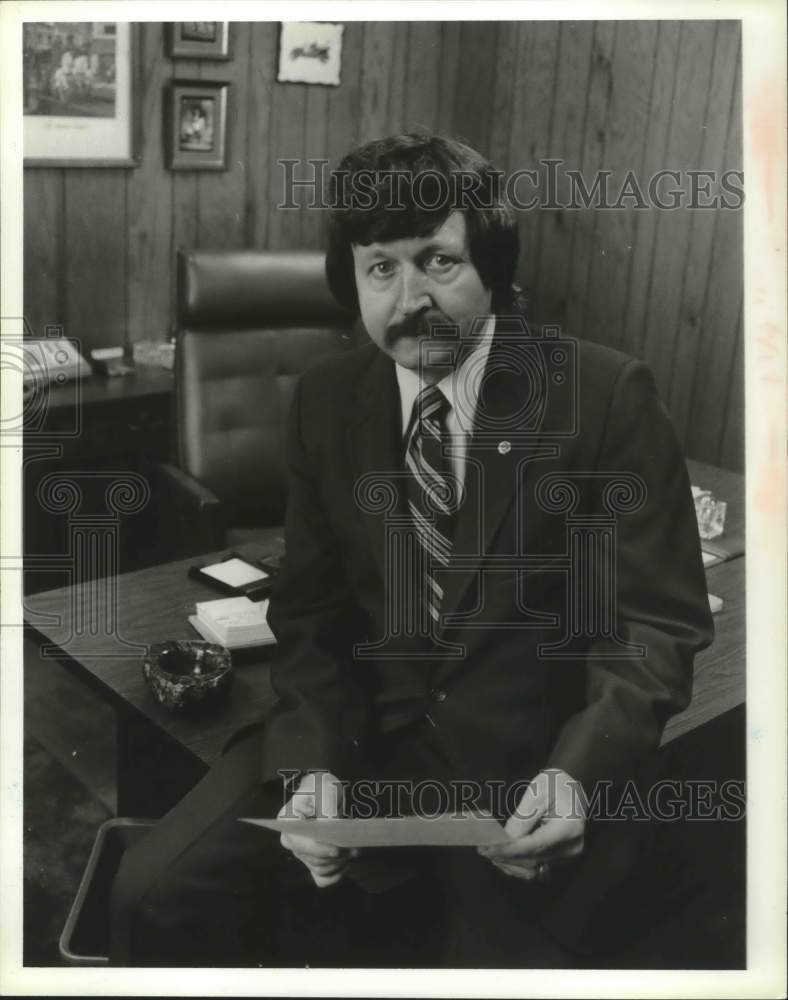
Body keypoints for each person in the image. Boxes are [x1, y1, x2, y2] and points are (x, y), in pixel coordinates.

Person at [110, 130, 713, 968]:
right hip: (358, 741)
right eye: (379, 268)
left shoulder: (604, 396)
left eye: (437, 261)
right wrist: (310, 765)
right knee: (154, 894)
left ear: (493, 267)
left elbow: (653, 624)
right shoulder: (327, 399)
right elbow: (313, 616)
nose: (407, 301)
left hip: (526, 766)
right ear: (350, 279)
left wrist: (578, 774)